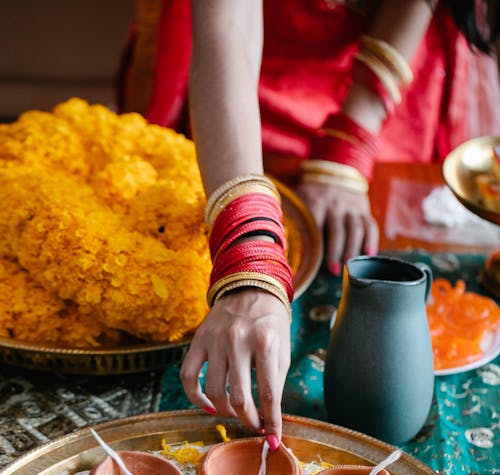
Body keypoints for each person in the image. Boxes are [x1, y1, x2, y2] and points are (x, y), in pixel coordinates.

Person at [118, 0, 499, 448]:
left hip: (387, 78)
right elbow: (230, 29)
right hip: (245, 86)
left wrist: (349, 144)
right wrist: (249, 254)